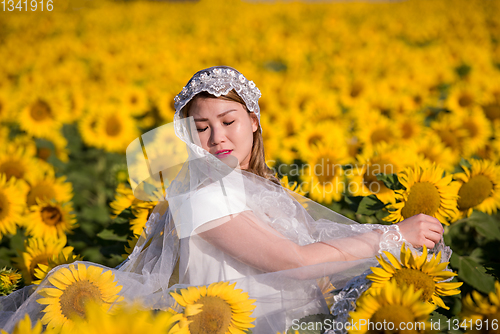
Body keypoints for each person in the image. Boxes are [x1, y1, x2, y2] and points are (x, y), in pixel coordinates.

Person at [0, 66, 446, 333]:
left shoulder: (254, 185)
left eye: (228, 120)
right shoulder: (201, 194)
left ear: (254, 121)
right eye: (202, 127)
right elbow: (290, 260)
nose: (217, 138)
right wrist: (388, 236)